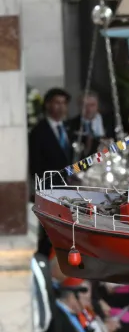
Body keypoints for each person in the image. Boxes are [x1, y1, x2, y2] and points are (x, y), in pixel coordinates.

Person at [29, 87, 72, 256]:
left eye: (64, 103)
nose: (61, 107)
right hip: (50, 189)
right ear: (48, 105)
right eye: (57, 103)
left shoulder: (69, 128)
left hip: (70, 188)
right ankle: (45, 257)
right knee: (49, 230)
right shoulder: (38, 131)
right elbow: (35, 165)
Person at [67, 91, 114, 158]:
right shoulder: (71, 125)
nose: (89, 109)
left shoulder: (111, 122)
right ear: (79, 106)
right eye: (84, 105)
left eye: (92, 105)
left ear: (98, 105)